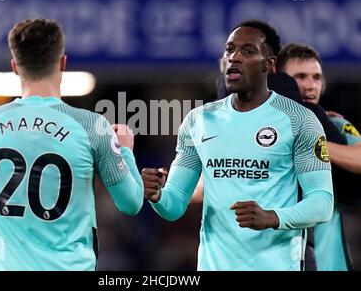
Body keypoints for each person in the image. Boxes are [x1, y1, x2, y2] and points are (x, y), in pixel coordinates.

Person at [142, 20, 334, 271]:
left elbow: (322, 203)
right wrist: (157, 195)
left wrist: (273, 217)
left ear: (270, 64)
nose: (234, 57)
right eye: (229, 49)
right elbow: (174, 205)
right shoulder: (198, 121)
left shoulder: (299, 120)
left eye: (248, 51)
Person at [0, 18, 144, 271]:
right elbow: (131, 203)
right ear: (62, 63)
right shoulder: (92, 126)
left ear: (15, 66)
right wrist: (125, 149)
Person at [276, 42, 361, 271]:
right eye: (300, 76)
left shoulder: (335, 123)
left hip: (330, 263)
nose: (310, 85)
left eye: (316, 77)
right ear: (281, 80)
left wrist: (314, 142)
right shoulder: (266, 130)